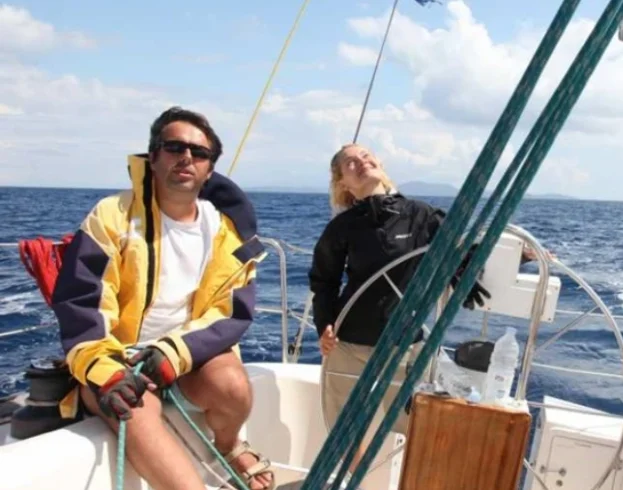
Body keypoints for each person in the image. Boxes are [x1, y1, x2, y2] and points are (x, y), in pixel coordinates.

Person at [51, 106, 274, 490]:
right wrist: (106, 371)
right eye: (174, 147)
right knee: (133, 408)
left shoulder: (228, 230)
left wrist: (173, 354)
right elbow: (83, 304)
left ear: (209, 169)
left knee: (233, 384)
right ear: (153, 157)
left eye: (199, 153)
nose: (187, 157)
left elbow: (231, 312)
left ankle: (228, 446)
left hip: (188, 356)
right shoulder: (112, 216)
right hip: (118, 359)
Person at [309, 143, 545, 478]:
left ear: (379, 163)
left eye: (365, 155)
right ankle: (355, 483)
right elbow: (324, 280)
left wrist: (514, 256)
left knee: (424, 426)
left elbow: (461, 251)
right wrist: (324, 324)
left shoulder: (421, 215)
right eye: (349, 163)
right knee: (344, 432)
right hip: (348, 345)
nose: (360, 162)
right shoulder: (342, 226)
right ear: (342, 183)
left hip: (404, 348)